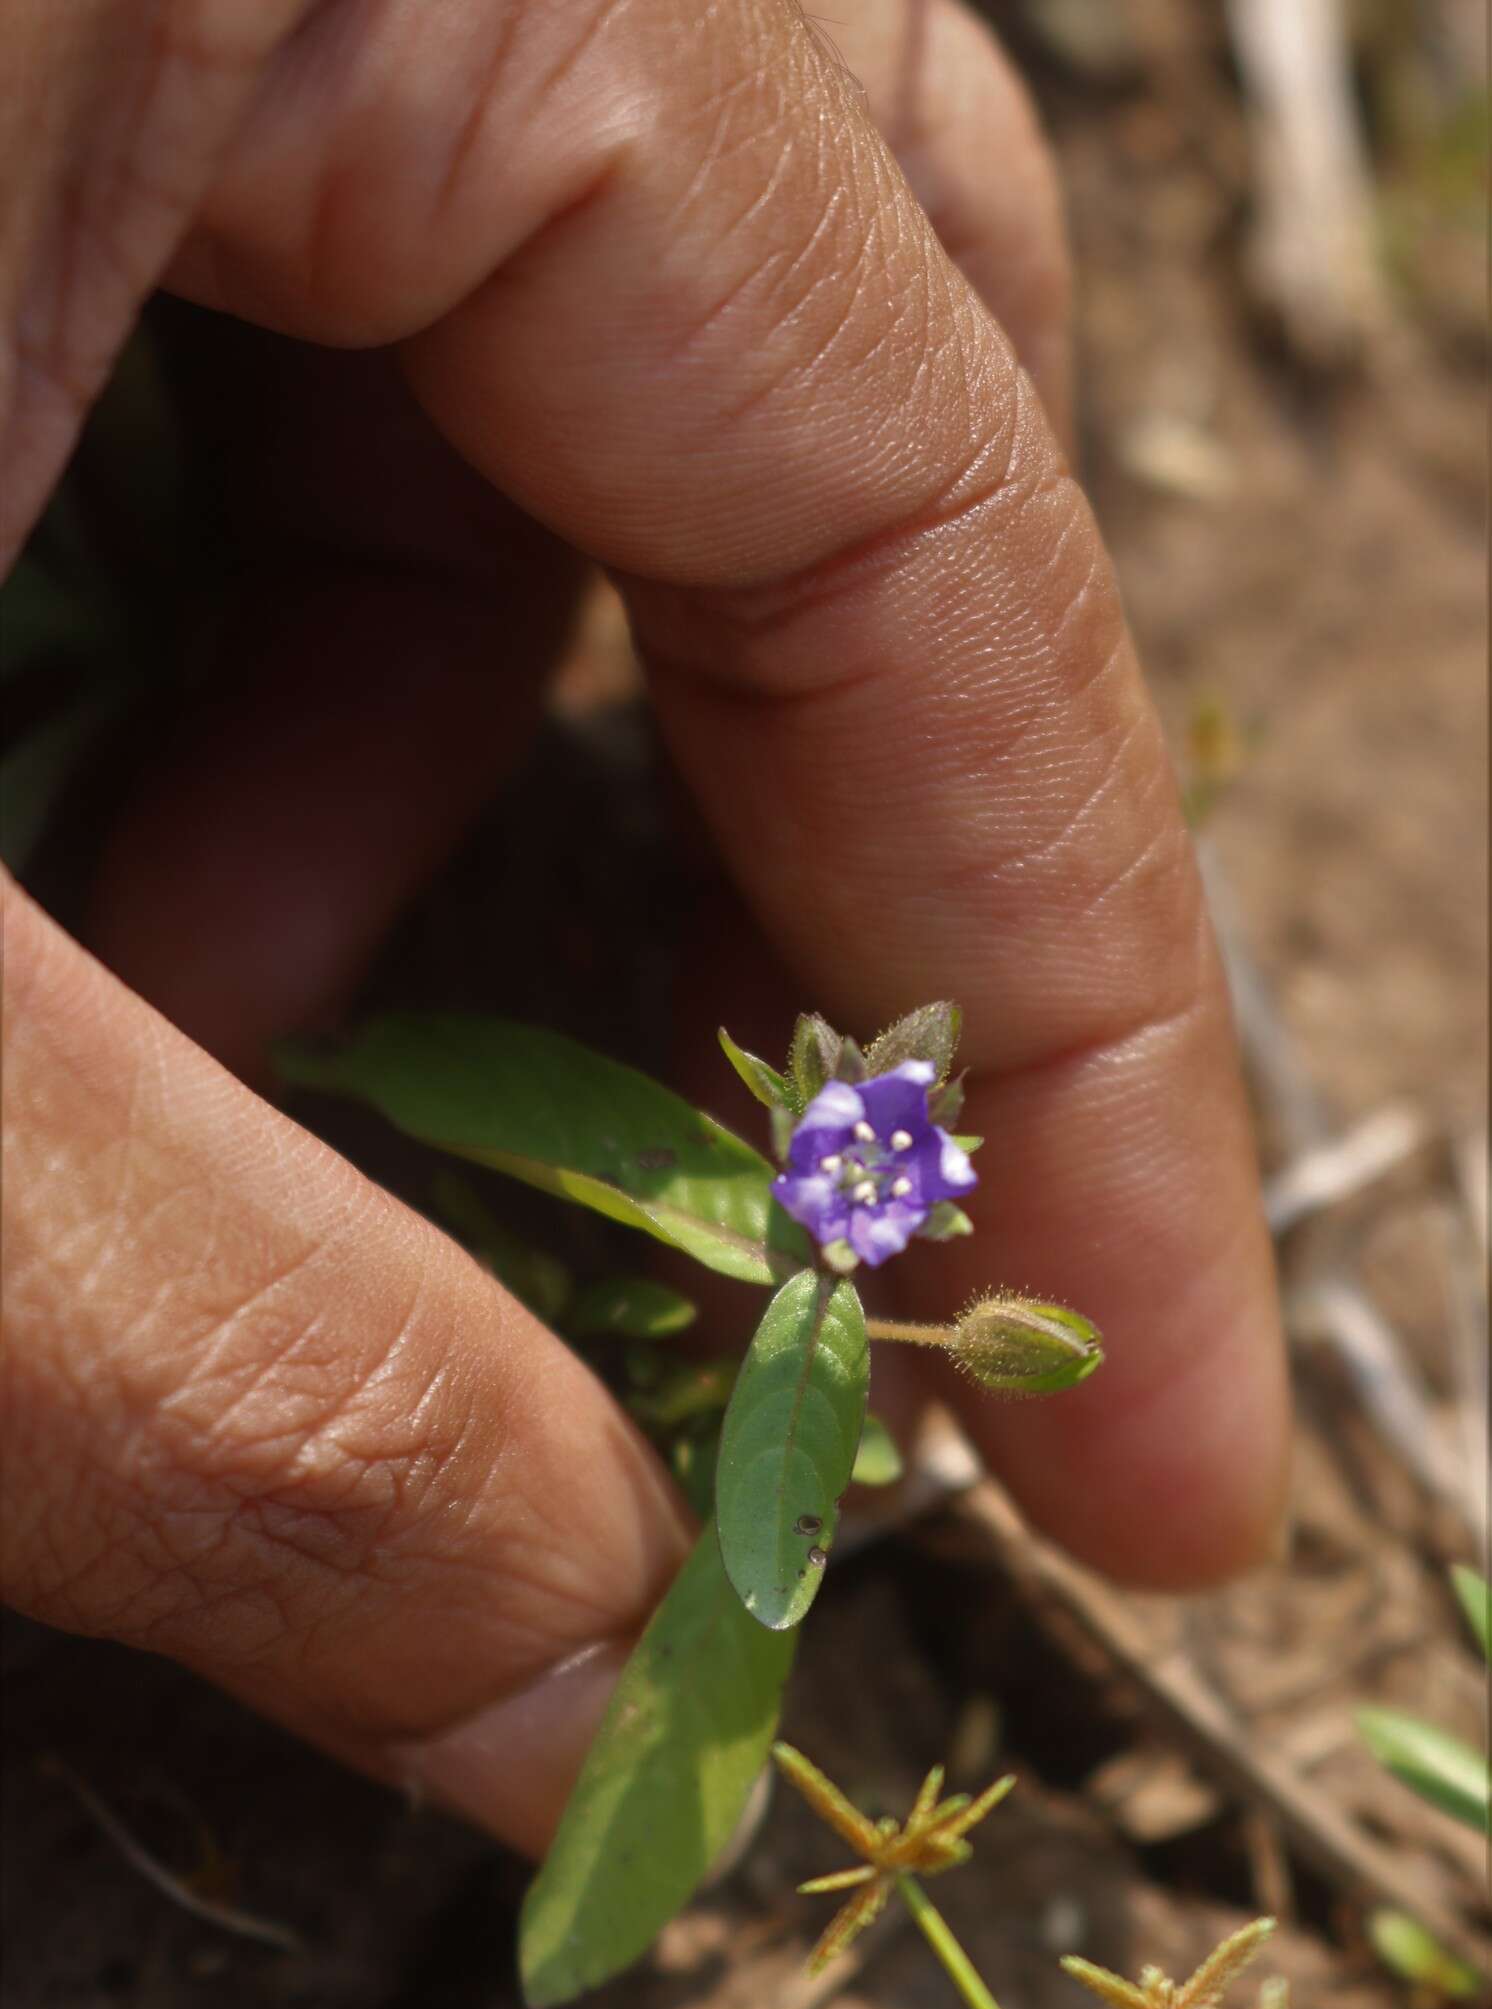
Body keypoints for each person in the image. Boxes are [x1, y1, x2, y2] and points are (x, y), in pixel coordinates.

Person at [1, 0, 1288, 1861]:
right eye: (854, 1162)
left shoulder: (870, 1227)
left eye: (872, 1170)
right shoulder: (830, 1187)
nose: (863, 1177)